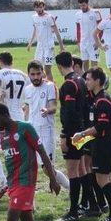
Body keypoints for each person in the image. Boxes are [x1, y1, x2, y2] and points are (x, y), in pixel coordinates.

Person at [73, 68, 111, 221]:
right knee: (106, 178)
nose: (86, 82)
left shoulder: (102, 101)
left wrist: (81, 135)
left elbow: (100, 127)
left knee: (102, 179)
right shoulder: (98, 99)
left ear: (97, 81)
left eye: (88, 79)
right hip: (102, 144)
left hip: (103, 145)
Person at [0, 51, 31, 200]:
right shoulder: (22, 74)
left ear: (0, 61)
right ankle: (22, 185)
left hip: (3, 117)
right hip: (19, 116)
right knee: (18, 152)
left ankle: (4, 183)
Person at [23, 60, 70, 189]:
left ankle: (71, 188)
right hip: (32, 131)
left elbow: (54, 106)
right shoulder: (27, 89)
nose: (36, 77)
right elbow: (27, 108)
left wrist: (47, 110)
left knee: (47, 167)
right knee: (29, 166)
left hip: (45, 130)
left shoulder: (49, 86)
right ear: (29, 75)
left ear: (43, 72)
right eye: (33, 74)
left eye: (38, 73)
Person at [54, 52, 87, 221]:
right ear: (73, 62)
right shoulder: (81, 80)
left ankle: (74, 211)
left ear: (59, 66)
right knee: (82, 168)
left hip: (73, 133)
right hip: (82, 130)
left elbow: (69, 112)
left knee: (73, 170)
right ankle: (88, 204)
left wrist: (64, 135)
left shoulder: (68, 84)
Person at [27, 0, 65, 84]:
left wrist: (61, 46)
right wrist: (30, 43)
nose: (39, 9)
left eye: (41, 7)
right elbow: (35, 30)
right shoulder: (34, 17)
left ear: (43, 6)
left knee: (47, 69)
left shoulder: (49, 17)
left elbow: (56, 31)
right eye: (37, 7)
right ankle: (47, 84)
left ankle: (52, 88)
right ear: (34, 8)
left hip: (49, 46)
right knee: (38, 68)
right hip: (40, 47)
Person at [75, 0, 102, 71]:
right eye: (80, 6)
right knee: (84, 63)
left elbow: (101, 28)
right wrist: (78, 41)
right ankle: (86, 81)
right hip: (83, 42)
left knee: (94, 64)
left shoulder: (95, 12)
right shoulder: (78, 14)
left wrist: (98, 41)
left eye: (83, 5)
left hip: (93, 42)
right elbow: (78, 29)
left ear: (87, 4)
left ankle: (95, 80)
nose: (82, 7)